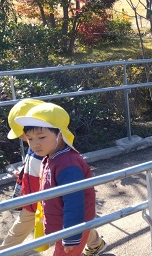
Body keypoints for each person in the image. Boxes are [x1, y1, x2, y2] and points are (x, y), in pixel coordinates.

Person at [14, 102, 107, 256]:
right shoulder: (51, 156)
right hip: (63, 223)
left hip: (72, 227)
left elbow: (74, 201)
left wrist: (71, 236)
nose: (35, 144)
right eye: (30, 139)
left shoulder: (67, 164)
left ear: (60, 134)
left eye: (42, 137)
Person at [0, 98, 45, 251]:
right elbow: (31, 164)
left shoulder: (49, 151)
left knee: (74, 224)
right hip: (32, 198)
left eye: (22, 135)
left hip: (42, 200)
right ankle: (95, 243)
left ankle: (5, 252)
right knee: (76, 224)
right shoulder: (35, 145)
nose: (23, 139)